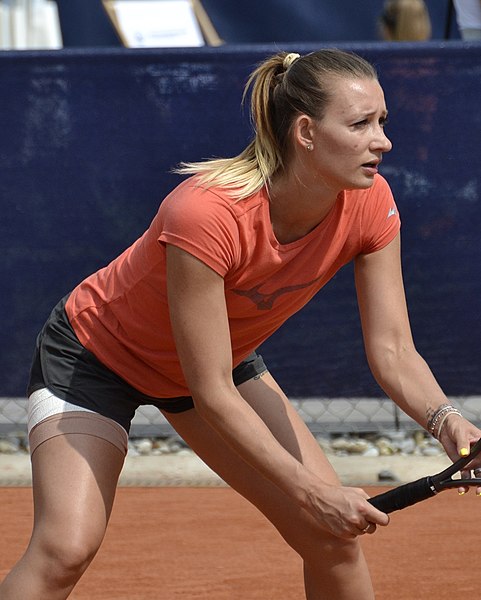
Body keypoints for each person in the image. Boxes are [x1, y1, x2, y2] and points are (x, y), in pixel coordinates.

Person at [1, 48, 480, 600]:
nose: (383, 141)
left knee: (331, 540)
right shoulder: (207, 212)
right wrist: (309, 491)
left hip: (213, 361)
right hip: (95, 359)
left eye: (382, 122)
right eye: (361, 124)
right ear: (305, 131)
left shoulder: (372, 203)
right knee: (66, 548)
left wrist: (448, 422)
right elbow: (212, 393)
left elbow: (394, 350)